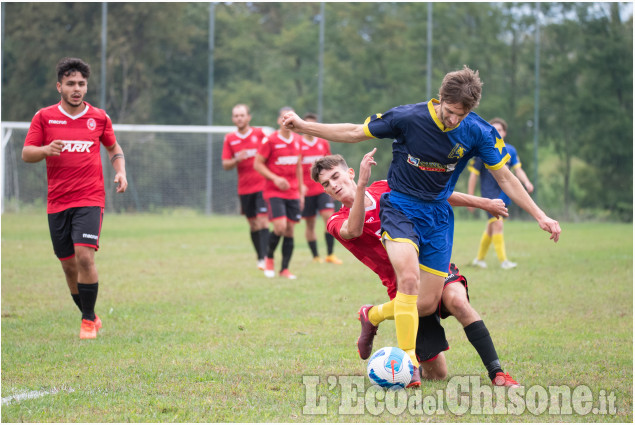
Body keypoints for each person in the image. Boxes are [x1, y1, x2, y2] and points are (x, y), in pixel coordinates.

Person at [283, 65, 560, 374]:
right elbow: (353, 135)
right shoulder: (405, 122)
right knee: (417, 304)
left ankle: (492, 371)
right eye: (451, 112)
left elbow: (503, 179)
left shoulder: (476, 133)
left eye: (462, 115)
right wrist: (303, 128)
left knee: (439, 309)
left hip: (436, 223)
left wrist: (534, 213)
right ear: (440, 98)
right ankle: (406, 364)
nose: (455, 120)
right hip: (401, 237)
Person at [312, 150, 518, 387]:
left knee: (458, 301)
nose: (333, 185)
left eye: (336, 177)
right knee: (438, 374)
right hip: (405, 293)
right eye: (326, 184)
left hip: (432, 266)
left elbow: (433, 195)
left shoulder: (385, 187)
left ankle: (498, 373)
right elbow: (355, 230)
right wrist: (360, 187)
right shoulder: (335, 221)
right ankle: (375, 317)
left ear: (350, 172)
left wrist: (484, 203)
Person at [22, 57, 128, 340]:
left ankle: (86, 322)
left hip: (90, 198)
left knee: (84, 256)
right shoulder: (44, 117)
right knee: (69, 265)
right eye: (70, 84)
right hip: (57, 202)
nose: (76, 88)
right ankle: (91, 315)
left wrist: (120, 172)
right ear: (60, 86)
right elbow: (26, 153)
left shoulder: (99, 117)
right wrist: (46, 149)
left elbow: (114, 149)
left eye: (81, 83)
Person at [467, 117, 534, 270]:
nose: (497, 132)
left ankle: (479, 259)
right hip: (489, 194)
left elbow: (518, 169)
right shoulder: (481, 150)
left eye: (500, 129)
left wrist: (527, 182)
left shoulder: (510, 150)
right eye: (493, 129)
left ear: (504, 133)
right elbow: (473, 175)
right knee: (497, 226)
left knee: (492, 227)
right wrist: (471, 196)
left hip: (505, 193)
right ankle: (504, 261)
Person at [254, 107, 304, 279]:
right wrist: (275, 178)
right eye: (284, 118)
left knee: (290, 230)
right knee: (280, 227)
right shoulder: (270, 140)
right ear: (279, 121)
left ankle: (284, 270)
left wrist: (301, 191)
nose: (287, 121)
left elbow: (298, 166)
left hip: (292, 192)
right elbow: (258, 164)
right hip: (274, 191)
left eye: (291, 118)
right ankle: (269, 258)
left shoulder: (298, 140)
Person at [221, 104, 270, 270]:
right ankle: (260, 256)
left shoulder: (260, 134)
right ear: (232, 119)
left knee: (263, 221)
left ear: (249, 117)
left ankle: (265, 258)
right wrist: (236, 160)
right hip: (244, 188)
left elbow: (270, 155)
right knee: (253, 224)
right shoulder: (230, 138)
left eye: (242, 115)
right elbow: (226, 164)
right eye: (236, 116)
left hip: (262, 185)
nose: (239, 118)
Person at [299, 112, 342, 265]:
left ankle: (330, 254)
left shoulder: (322, 143)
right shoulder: (298, 144)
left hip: (322, 190)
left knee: (328, 218)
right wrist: (299, 186)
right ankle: (316, 256)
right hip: (306, 191)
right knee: (310, 223)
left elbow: (330, 165)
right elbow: (296, 167)